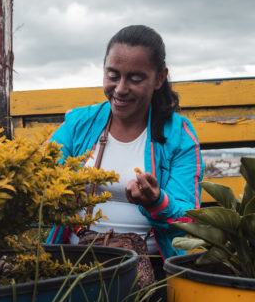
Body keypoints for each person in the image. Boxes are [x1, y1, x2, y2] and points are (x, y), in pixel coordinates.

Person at [45, 25, 204, 274]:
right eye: (113, 75)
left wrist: (157, 202)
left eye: (135, 79)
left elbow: (188, 217)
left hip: (152, 267)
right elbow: (44, 173)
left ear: (160, 78)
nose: (120, 89)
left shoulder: (179, 135)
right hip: (74, 264)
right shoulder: (78, 123)